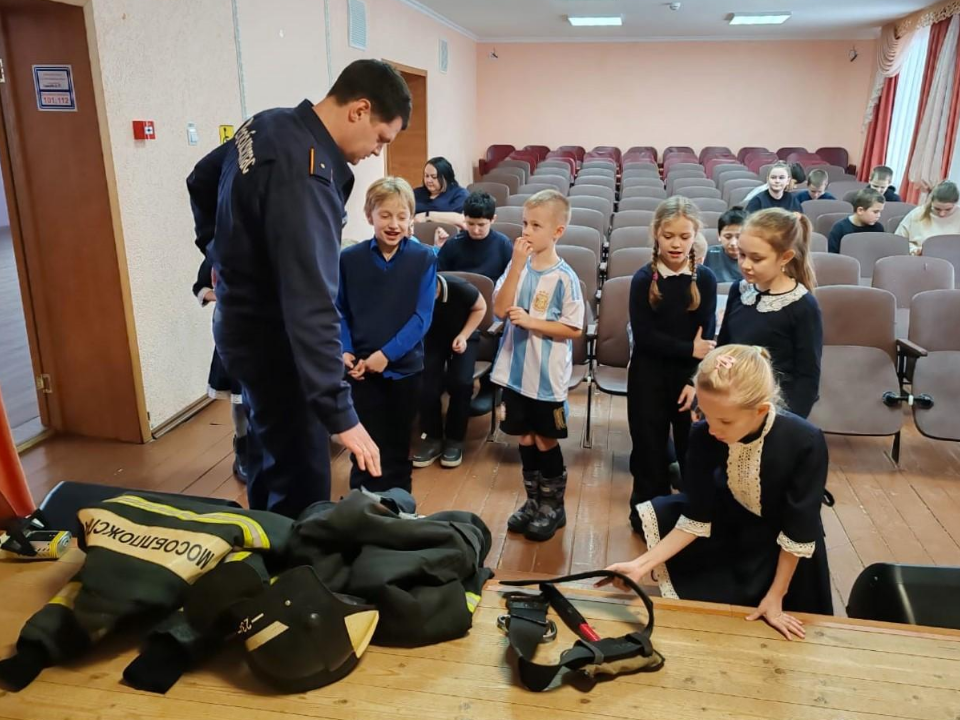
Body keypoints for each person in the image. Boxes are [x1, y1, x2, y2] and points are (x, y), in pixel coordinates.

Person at [192, 59, 411, 517]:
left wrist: (218, 255)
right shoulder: (307, 176)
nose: (376, 152)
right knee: (302, 483)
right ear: (359, 109)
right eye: (380, 138)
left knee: (268, 458)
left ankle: (265, 552)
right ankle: (291, 580)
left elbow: (202, 177)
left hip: (240, 327)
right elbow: (313, 304)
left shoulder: (269, 122)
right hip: (277, 344)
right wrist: (341, 414)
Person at [602, 344, 833, 637]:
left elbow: (798, 528)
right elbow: (696, 518)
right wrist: (640, 565)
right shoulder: (705, 434)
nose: (712, 428)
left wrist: (776, 596)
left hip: (788, 546)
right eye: (706, 414)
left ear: (760, 410)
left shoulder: (805, 441)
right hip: (737, 530)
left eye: (724, 420)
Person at [494, 190, 584, 542]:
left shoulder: (565, 278)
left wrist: (532, 322)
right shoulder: (517, 267)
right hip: (515, 374)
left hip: (546, 378)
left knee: (546, 439)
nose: (526, 232)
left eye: (535, 225)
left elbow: (574, 328)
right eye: (524, 224)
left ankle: (553, 507)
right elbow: (500, 310)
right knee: (526, 436)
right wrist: (516, 265)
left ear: (557, 232)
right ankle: (533, 501)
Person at [337, 177, 436, 493]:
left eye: (401, 216)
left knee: (398, 443)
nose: (394, 224)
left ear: (410, 218)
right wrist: (345, 349)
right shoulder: (349, 259)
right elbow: (340, 309)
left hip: (404, 370)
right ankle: (361, 503)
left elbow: (422, 317)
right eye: (385, 215)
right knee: (363, 441)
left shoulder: (424, 258)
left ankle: (397, 504)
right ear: (370, 216)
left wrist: (386, 355)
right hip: (360, 370)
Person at [627, 197, 717, 524]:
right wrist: (686, 349)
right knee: (648, 452)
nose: (676, 244)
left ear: (695, 236)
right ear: (656, 234)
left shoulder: (705, 279)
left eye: (684, 236)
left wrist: (695, 377)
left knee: (692, 452)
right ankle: (648, 518)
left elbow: (706, 342)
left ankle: (692, 519)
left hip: (688, 383)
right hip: (647, 380)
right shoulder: (642, 279)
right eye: (668, 236)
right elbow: (645, 337)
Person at [718, 208, 822, 418]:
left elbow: (807, 376)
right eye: (742, 255)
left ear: (785, 257)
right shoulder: (740, 290)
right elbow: (723, 348)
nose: (745, 265)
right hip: (732, 400)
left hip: (773, 409)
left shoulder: (802, 305)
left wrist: (788, 424)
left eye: (756, 259)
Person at [412, 273, 487, 469]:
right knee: (425, 384)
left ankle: (455, 439)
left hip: (463, 336)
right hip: (431, 340)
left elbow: (481, 307)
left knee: (461, 382)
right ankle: (432, 438)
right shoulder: (409, 288)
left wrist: (463, 335)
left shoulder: (459, 287)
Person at [191, 253, 250, 483]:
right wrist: (221, 296)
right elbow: (199, 287)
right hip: (233, 335)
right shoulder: (218, 250)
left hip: (268, 332)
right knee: (240, 397)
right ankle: (243, 444)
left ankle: (267, 447)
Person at [436, 191, 513, 280]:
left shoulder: (503, 245)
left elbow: (511, 278)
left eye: (481, 225)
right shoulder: (452, 244)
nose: (476, 231)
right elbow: (439, 276)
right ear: (464, 217)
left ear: (493, 219)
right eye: (471, 224)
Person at [896, 180, 960, 255]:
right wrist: (914, 250)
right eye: (937, 209)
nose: (942, 214)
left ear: (955, 204)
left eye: (948, 209)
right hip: (920, 259)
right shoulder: (918, 214)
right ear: (931, 202)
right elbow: (898, 240)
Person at [827, 188, 885, 254]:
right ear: (860, 210)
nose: (879, 215)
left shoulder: (878, 228)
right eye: (875, 212)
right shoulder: (839, 229)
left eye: (880, 212)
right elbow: (833, 255)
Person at [414, 156, 468, 226]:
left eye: (434, 177)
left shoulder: (460, 194)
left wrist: (427, 216)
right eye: (426, 176)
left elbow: (460, 219)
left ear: (446, 177)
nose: (428, 180)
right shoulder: (416, 193)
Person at [703, 207, 746, 283]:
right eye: (728, 237)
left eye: (739, 237)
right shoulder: (707, 254)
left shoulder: (756, 257)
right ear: (719, 236)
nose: (733, 243)